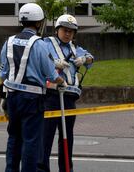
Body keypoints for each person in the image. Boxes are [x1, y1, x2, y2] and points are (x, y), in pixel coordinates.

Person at [0, 3, 66, 172]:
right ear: (38, 23)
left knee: (13, 138)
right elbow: (51, 74)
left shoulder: (8, 42)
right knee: (31, 141)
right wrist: (61, 81)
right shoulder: (40, 44)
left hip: (12, 96)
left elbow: (3, 73)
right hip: (32, 99)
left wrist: (3, 96)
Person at [39, 14, 94, 172]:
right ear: (57, 30)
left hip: (69, 97)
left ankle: (66, 169)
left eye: (71, 31)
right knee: (46, 137)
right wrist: (54, 63)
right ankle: (42, 169)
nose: (68, 33)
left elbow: (91, 58)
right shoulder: (46, 43)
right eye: (65, 30)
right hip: (51, 96)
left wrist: (84, 60)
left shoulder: (76, 48)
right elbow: (39, 58)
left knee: (67, 138)